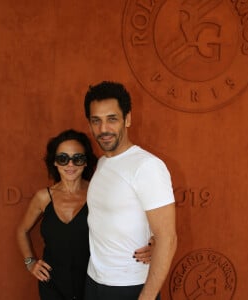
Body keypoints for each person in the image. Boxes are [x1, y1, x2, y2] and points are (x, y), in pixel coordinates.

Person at [16, 129, 152, 300]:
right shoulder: (43, 198)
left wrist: (153, 241)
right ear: (55, 163)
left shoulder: (97, 192)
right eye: (63, 158)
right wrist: (30, 263)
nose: (70, 165)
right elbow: (21, 231)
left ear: (86, 162)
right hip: (51, 284)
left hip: (91, 283)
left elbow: (130, 217)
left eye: (77, 158)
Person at [83, 81, 177, 300]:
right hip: (94, 280)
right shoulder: (103, 163)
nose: (103, 129)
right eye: (96, 121)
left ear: (128, 119)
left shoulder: (147, 166)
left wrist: (147, 297)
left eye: (112, 119)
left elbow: (168, 238)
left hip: (129, 287)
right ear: (89, 124)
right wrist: (152, 238)